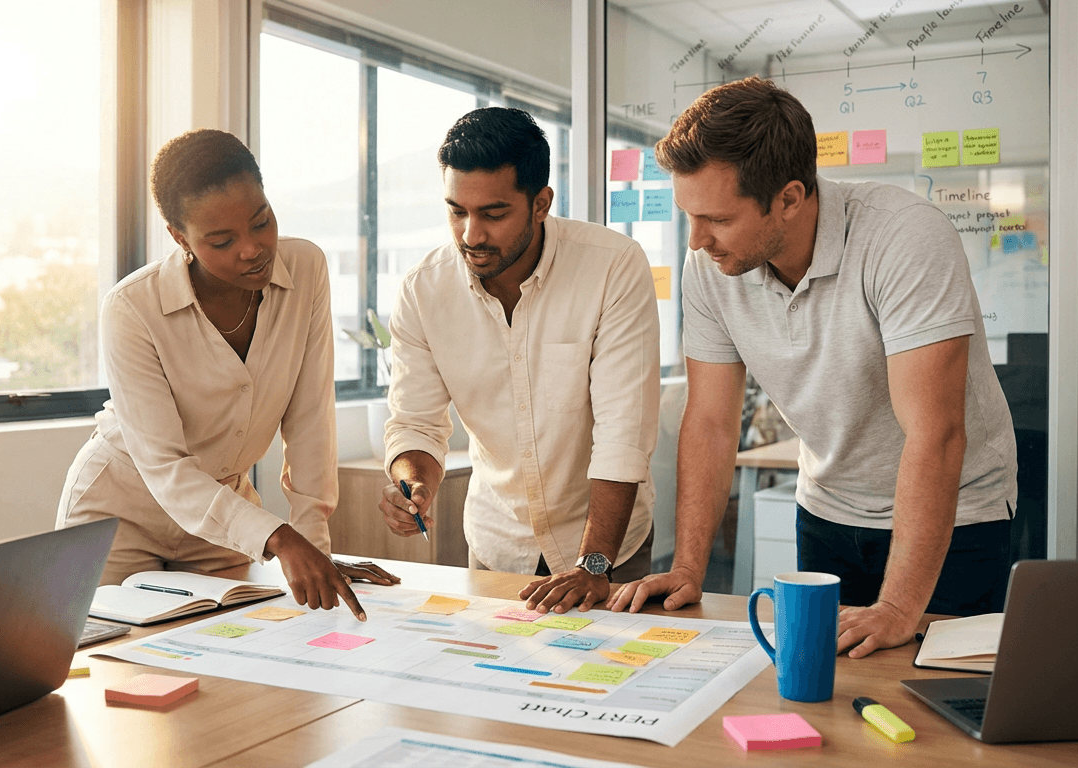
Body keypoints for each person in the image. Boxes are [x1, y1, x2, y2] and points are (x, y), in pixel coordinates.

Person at [609, 77, 1018, 658]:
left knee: (930, 698)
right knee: (823, 683)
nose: (696, 240)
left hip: (956, 519)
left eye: (717, 219)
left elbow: (936, 432)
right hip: (828, 508)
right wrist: (688, 568)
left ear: (790, 198)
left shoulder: (904, 237)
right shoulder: (710, 266)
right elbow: (711, 421)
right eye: (688, 216)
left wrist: (898, 608)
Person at [57, 128, 397, 619]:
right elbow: (166, 467)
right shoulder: (132, 308)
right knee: (111, 653)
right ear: (180, 237)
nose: (252, 249)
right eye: (222, 241)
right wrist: (280, 538)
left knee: (234, 645)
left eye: (261, 222)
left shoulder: (306, 268)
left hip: (221, 519)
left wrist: (313, 544)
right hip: (120, 510)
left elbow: (309, 420)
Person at [378, 107, 661, 614]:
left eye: (493, 214)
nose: (471, 235)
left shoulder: (612, 266)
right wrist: (414, 482)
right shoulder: (424, 290)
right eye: (457, 211)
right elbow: (415, 423)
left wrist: (594, 564)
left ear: (540, 204)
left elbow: (623, 433)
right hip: (498, 545)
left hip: (608, 548)